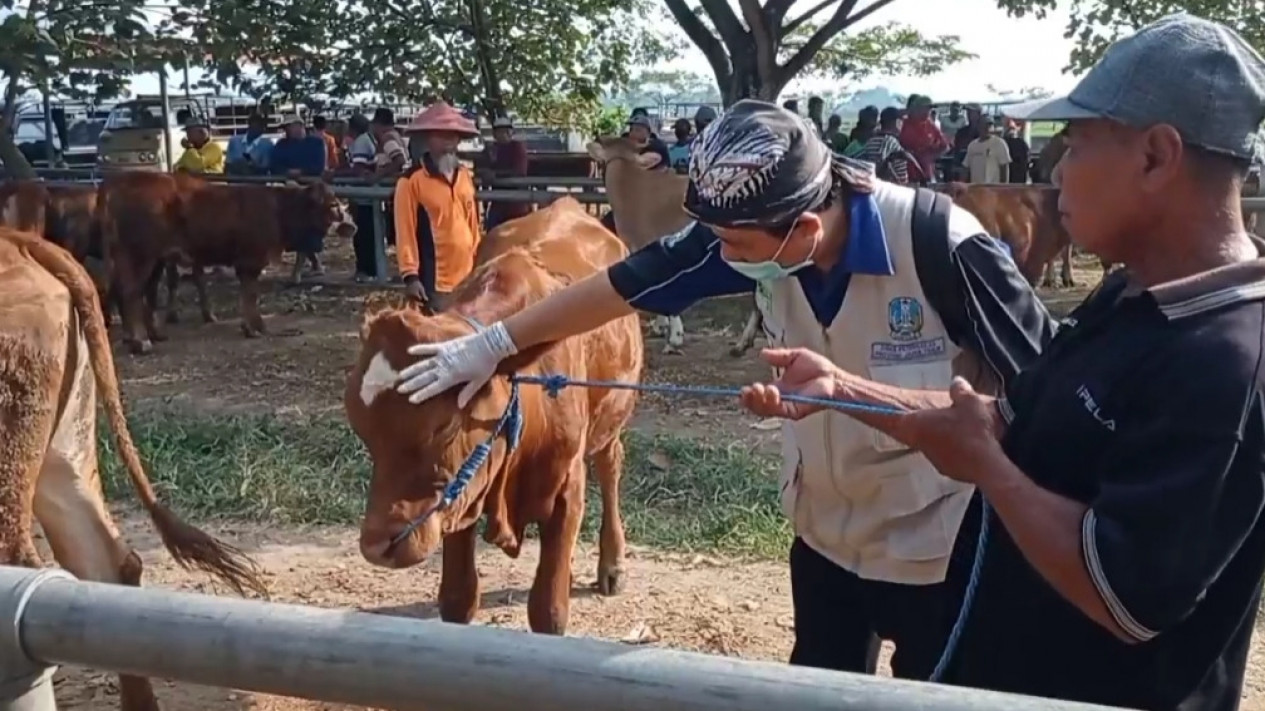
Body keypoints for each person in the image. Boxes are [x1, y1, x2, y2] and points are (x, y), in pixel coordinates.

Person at [393, 99, 1053, 680]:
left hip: (939, 542)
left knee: (930, 693)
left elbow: (1043, 400)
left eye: (735, 245)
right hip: (823, 529)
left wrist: (850, 392)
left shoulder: (944, 247)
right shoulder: (747, 231)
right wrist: (490, 345)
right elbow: (620, 285)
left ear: (805, 232)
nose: (723, 258)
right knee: (813, 688)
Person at [736, 13, 1265, 711]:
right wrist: (842, 389)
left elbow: (1123, 596)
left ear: (1155, 157)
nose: (1053, 173)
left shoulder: (1226, 360)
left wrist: (988, 468)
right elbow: (997, 420)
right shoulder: (1127, 299)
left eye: (1074, 145)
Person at [392, 102, 482, 310]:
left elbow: (474, 225)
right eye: (441, 136)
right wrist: (411, 276)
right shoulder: (411, 181)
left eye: (453, 136)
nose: (448, 142)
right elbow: (405, 231)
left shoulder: (465, 176)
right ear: (428, 139)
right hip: (435, 279)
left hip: (468, 275)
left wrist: (479, 263)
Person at [270, 115, 328, 278]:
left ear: (300, 126)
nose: (288, 130)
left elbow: (318, 166)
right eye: (286, 128)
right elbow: (274, 165)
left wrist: (301, 172)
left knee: (308, 228)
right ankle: (315, 264)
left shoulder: (316, 143)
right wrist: (286, 172)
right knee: (293, 230)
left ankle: (297, 271)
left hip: (311, 193)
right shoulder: (282, 145)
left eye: (291, 126)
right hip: (289, 193)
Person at [342, 113, 383, 282]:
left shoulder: (360, 142)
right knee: (368, 234)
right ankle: (369, 269)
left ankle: (366, 270)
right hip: (366, 196)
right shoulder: (369, 139)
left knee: (363, 235)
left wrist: (336, 174)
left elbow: (357, 169)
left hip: (363, 197)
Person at [479, 116, 531, 231]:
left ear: (511, 132)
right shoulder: (491, 149)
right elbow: (482, 168)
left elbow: (519, 171)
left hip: (516, 202)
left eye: (506, 131)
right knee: (493, 235)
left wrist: (495, 175)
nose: (503, 134)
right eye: (499, 131)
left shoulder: (517, 147)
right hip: (498, 203)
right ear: (494, 134)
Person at [899, 95, 950, 182]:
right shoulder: (903, 124)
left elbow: (946, 146)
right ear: (916, 108)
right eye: (926, 108)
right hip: (906, 172)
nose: (928, 111)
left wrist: (932, 156)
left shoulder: (930, 125)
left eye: (929, 109)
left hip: (926, 172)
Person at [859, 107, 913, 184]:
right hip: (893, 188)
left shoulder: (871, 140)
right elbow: (878, 162)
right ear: (896, 122)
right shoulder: (888, 141)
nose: (902, 124)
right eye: (901, 120)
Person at [962, 116, 1011, 184]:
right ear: (978, 127)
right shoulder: (972, 145)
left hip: (993, 188)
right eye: (983, 125)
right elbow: (966, 167)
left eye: (989, 125)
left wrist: (1003, 187)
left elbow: (1004, 167)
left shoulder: (1000, 143)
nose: (986, 128)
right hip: (975, 188)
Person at [1001, 119, 1030, 184]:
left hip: (1018, 176)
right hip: (1011, 175)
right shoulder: (1002, 143)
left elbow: (1026, 160)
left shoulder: (1021, 143)